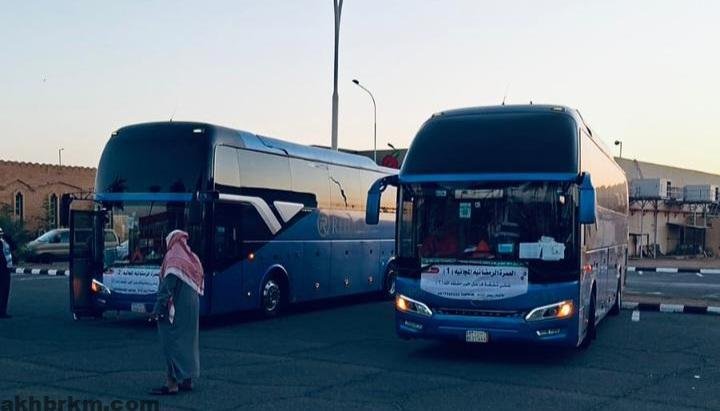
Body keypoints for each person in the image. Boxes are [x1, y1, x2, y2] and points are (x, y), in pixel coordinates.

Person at [150, 230, 204, 395]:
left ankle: (172, 383)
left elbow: (167, 288)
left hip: (177, 309)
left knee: (170, 342)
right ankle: (188, 380)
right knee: (189, 343)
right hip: (192, 309)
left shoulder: (173, 258)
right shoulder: (193, 258)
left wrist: (157, 309)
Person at [0, 227, 13, 319]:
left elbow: (14, 246)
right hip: (2, 269)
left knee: (5, 291)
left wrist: (7, 237)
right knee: (2, 290)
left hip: (6, 268)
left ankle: (3, 311)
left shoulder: (4, 242)